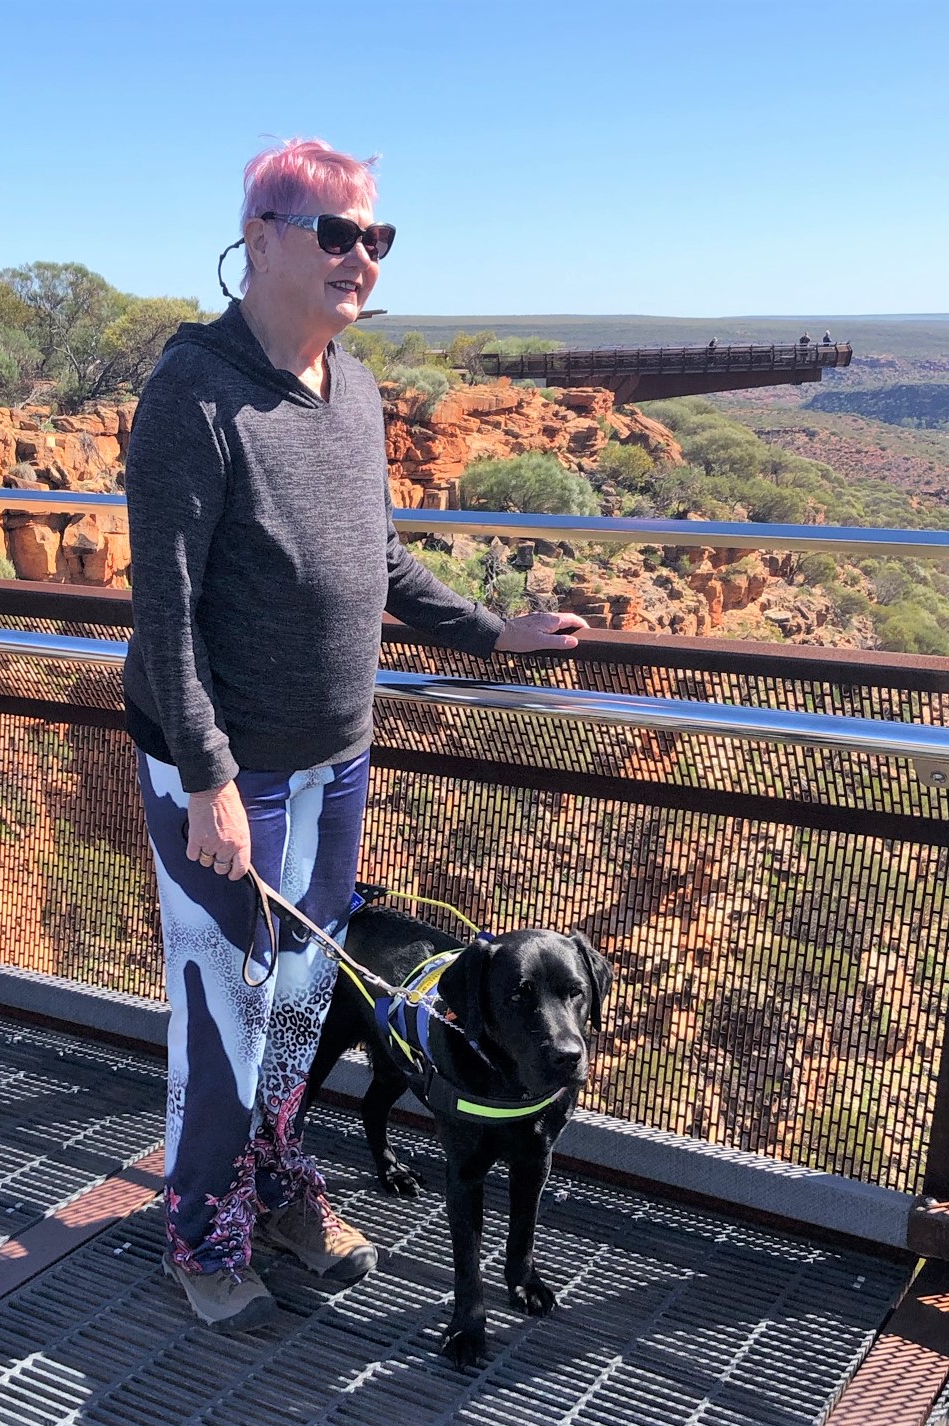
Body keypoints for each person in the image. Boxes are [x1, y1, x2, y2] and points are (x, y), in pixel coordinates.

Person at [123, 137, 587, 1332]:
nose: (362, 258)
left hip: (337, 756)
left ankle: (273, 1186)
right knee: (224, 1005)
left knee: (298, 999)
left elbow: (374, 559)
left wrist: (491, 633)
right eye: (337, 234)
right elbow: (165, 610)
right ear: (261, 237)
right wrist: (211, 779)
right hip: (225, 771)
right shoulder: (194, 395)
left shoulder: (354, 384)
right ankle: (198, 1229)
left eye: (376, 236)